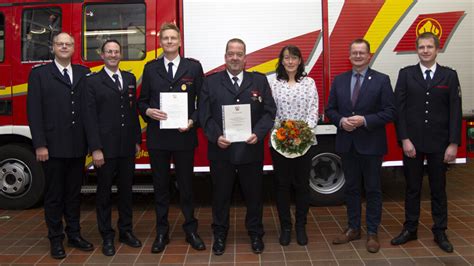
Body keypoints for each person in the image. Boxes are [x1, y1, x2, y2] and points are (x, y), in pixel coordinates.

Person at [199, 38, 276, 255]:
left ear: (245, 57)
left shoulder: (259, 81)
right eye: (231, 53)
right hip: (221, 150)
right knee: (220, 196)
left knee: (254, 196)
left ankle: (255, 233)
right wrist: (216, 137)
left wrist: (258, 134)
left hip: (250, 149)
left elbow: (270, 112)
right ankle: (220, 234)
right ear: (225, 57)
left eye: (239, 53)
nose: (235, 57)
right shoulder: (210, 82)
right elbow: (204, 115)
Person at [137, 23, 205, 253]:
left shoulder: (193, 68)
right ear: (160, 42)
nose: (169, 41)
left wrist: (193, 121)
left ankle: (191, 230)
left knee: (186, 187)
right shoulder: (150, 68)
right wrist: (147, 111)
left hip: (184, 136)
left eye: (173, 38)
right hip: (158, 138)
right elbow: (142, 101)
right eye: (165, 38)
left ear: (179, 41)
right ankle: (161, 232)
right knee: (161, 187)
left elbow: (202, 103)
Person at [391, 32, 462, 253]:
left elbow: (455, 112)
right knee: (412, 188)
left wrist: (453, 144)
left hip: (440, 145)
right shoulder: (406, 75)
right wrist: (404, 139)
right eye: (421, 47)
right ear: (416, 50)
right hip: (412, 143)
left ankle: (440, 230)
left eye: (429, 47)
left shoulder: (449, 76)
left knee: (438, 189)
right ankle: (410, 228)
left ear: (437, 49)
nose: (425, 51)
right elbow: (398, 110)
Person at [27, 32, 94, 259]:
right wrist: (40, 145)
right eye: (60, 44)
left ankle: (74, 234)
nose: (64, 47)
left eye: (68, 44)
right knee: (54, 195)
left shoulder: (84, 74)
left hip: (77, 146)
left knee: (74, 195)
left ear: (74, 48)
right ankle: (56, 239)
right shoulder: (40, 74)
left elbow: (88, 110)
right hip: (52, 147)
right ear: (53, 47)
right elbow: (34, 113)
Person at [325, 39, 396, 253]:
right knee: (352, 189)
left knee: (373, 189)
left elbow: (390, 111)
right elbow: (331, 109)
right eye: (354, 52)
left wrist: (365, 120)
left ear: (369, 55)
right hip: (348, 144)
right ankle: (353, 228)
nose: (357, 56)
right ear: (349, 56)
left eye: (361, 53)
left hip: (372, 145)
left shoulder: (382, 80)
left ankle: (372, 232)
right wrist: (341, 121)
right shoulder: (339, 80)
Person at [83, 40, 142, 256]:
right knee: (104, 193)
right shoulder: (92, 81)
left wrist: (136, 140)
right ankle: (107, 235)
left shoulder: (129, 78)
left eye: (116, 51)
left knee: (126, 192)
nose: (113, 55)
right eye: (109, 51)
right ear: (102, 54)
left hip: (126, 146)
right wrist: (95, 148)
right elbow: (89, 118)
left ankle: (125, 231)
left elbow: (132, 111)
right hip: (105, 149)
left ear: (121, 54)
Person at [270, 45, 318, 246]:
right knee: (282, 186)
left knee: (301, 186)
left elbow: (313, 110)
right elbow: (269, 111)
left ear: (300, 61)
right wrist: (282, 135)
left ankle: (300, 227)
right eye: (286, 58)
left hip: (304, 143)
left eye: (294, 58)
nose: (290, 61)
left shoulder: (309, 83)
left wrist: (301, 134)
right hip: (279, 142)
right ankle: (286, 227)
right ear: (281, 61)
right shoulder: (273, 84)